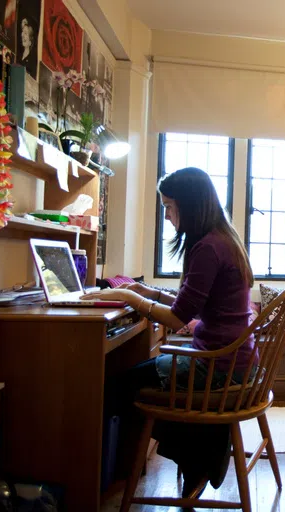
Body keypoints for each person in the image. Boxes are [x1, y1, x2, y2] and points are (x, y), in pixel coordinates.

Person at [81, 168, 256, 498]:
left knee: (119, 385)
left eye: (169, 207)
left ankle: (110, 479)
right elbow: (192, 302)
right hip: (235, 361)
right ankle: (197, 461)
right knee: (144, 374)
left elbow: (178, 319)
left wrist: (130, 297)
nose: (167, 215)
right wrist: (144, 291)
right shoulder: (223, 238)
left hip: (219, 367)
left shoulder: (207, 247)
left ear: (190, 206)